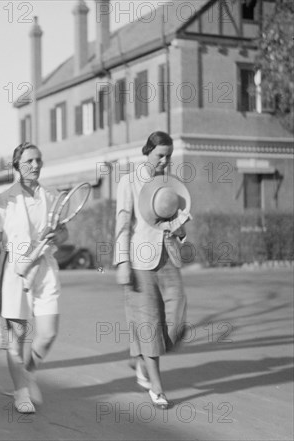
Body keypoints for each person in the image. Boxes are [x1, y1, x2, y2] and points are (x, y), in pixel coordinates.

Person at [0, 142, 68, 414]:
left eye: (38, 160)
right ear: (17, 165)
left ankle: (29, 372)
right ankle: (21, 392)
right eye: (29, 160)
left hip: (45, 270)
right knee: (17, 337)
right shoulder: (2, 201)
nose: (35, 165)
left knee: (48, 334)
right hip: (15, 272)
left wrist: (58, 236)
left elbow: (64, 232)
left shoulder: (52, 195)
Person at [114, 131, 189, 409]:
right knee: (149, 326)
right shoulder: (128, 181)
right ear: (147, 152)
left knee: (178, 318)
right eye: (160, 155)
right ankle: (156, 385)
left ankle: (142, 358)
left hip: (168, 257)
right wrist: (122, 262)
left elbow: (178, 222)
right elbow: (122, 223)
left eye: (169, 156)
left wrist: (182, 231)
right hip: (138, 260)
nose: (165, 160)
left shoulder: (171, 184)